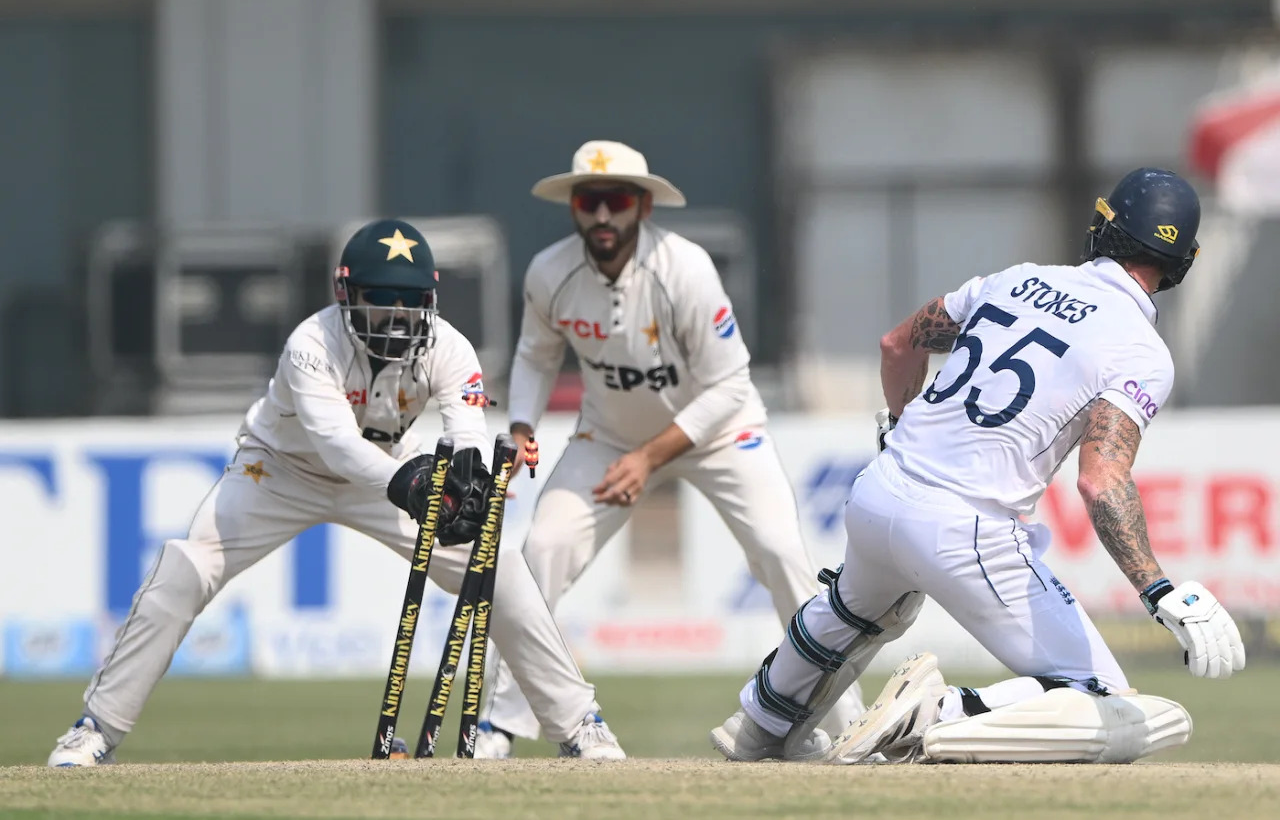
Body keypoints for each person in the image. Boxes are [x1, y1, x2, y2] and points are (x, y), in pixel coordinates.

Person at [710, 168, 1247, 765]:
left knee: (852, 610)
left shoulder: (1018, 280)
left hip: (880, 487)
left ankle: (757, 725)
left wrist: (899, 430)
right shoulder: (1143, 351)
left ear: (1103, 227)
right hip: (966, 526)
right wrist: (1159, 588)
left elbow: (897, 345)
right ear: (1182, 262)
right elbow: (1100, 481)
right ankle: (935, 713)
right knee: (1103, 699)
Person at [47, 219, 624, 767]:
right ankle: (95, 728)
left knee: (496, 567)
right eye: (380, 296)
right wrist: (413, 483)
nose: (396, 315)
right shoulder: (310, 345)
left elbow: (466, 431)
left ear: (431, 299)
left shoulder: (451, 348)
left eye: (410, 299)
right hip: (278, 472)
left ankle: (580, 727)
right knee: (186, 569)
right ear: (346, 292)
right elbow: (335, 445)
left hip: (386, 472)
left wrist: (467, 480)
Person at [474, 140, 864, 759]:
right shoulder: (550, 272)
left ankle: (849, 725)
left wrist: (650, 457)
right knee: (542, 552)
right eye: (589, 201)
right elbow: (535, 354)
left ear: (643, 206)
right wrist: (521, 424)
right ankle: (496, 728)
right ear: (574, 207)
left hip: (722, 433)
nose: (603, 216)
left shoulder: (683, 268)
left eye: (617, 200)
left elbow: (731, 382)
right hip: (608, 435)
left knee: (780, 552)